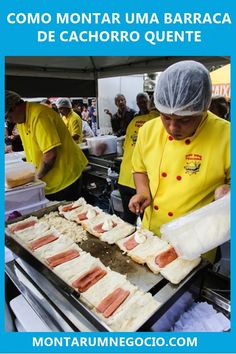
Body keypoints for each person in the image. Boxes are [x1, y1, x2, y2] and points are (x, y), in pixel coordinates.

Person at [129, 61, 230, 262]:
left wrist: (228, 191)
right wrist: (142, 191)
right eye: (165, 117)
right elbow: (139, 168)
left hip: (196, 239)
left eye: (184, 120)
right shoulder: (148, 129)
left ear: (203, 108)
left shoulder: (227, 136)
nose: (173, 128)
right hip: (152, 231)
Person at [5, 90, 88, 201]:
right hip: (49, 179)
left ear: (15, 106)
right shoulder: (22, 121)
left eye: (7, 116)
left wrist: (35, 179)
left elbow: (50, 155)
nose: (8, 120)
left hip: (65, 177)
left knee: (67, 213)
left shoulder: (40, 116)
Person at [118, 93, 159, 224]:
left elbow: (126, 146)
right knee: (146, 224)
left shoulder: (134, 121)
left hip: (124, 178)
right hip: (143, 183)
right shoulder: (161, 123)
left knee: (128, 221)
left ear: (149, 104)